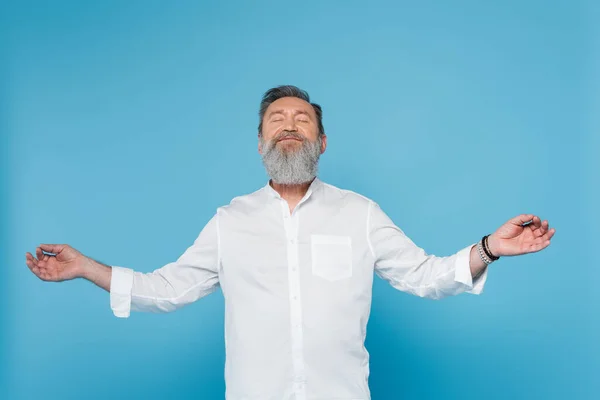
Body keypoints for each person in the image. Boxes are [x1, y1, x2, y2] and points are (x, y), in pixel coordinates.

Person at [25, 85, 556, 400]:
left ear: (321, 142)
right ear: (260, 144)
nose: (289, 125)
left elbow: (424, 276)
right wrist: (85, 268)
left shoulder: (360, 213)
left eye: (302, 119)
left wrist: (489, 248)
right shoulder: (230, 219)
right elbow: (168, 289)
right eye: (276, 120)